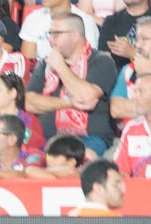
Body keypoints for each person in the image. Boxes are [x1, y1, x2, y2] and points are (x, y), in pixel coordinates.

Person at [26, 12, 117, 156]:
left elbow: (86, 97)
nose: (50, 40)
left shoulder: (101, 61)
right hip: (48, 140)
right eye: (50, 34)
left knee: (74, 162)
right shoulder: (46, 63)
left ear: (75, 35)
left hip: (88, 139)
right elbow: (29, 103)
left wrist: (61, 68)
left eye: (56, 34)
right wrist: (68, 103)